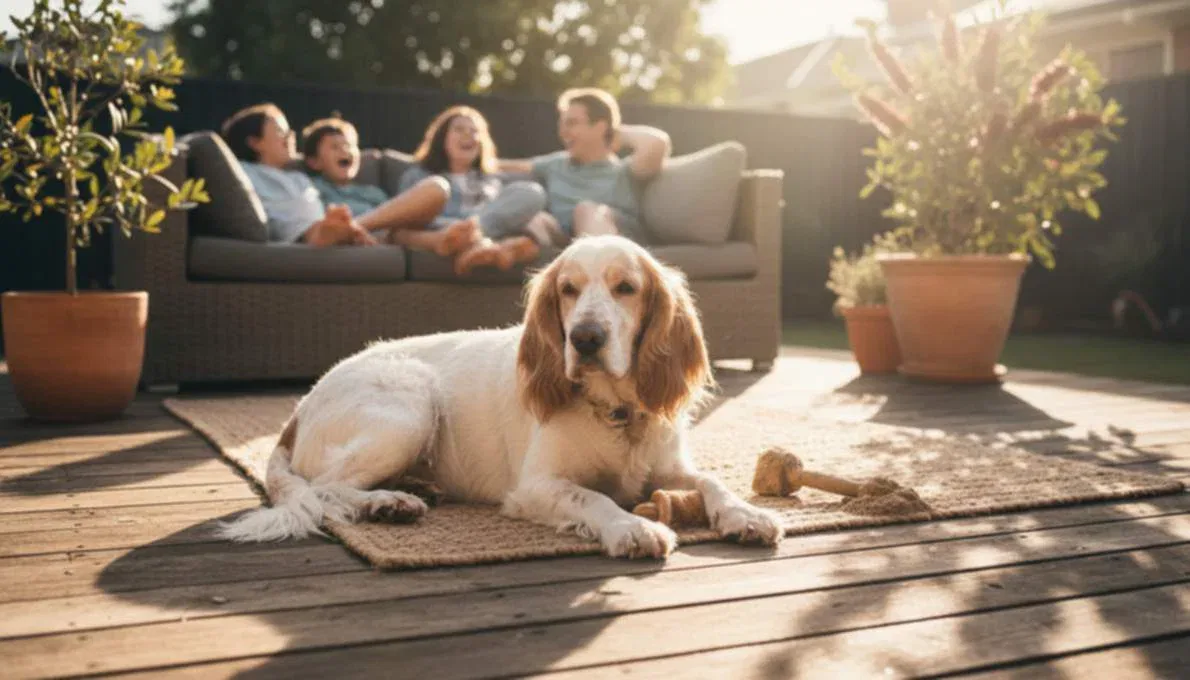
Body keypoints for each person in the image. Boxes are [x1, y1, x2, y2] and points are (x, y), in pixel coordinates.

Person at [219, 103, 447, 247]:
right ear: (255, 142)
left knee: (436, 189)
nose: (290, 136)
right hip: (313, 234)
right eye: (280, 131)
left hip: (335, 231)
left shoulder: (298, 178)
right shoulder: (241, 171)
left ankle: (446, 239)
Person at [500, 87, 671, 243]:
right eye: (561, 124)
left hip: (617, 239)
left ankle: (600, 269)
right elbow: (507, 166)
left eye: (572, 123)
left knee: (585, 210)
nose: (562, 132)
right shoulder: (555, 164)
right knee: (536, 220)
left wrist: (616, 131)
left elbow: (657, 143)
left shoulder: (625, 170)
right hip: (566, 240)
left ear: (600, 127)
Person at [397, 106, 552, 274]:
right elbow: (405, 217)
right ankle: (488, 246)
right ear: (442, 138)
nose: (468, 134)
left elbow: (505, 214)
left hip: (490, 229)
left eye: (474, 131)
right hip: (443, 229)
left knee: (532, 192)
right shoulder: (418, 175)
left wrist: (476, 227)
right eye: (459, 129)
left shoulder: (492, 179)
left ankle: (478, 240)